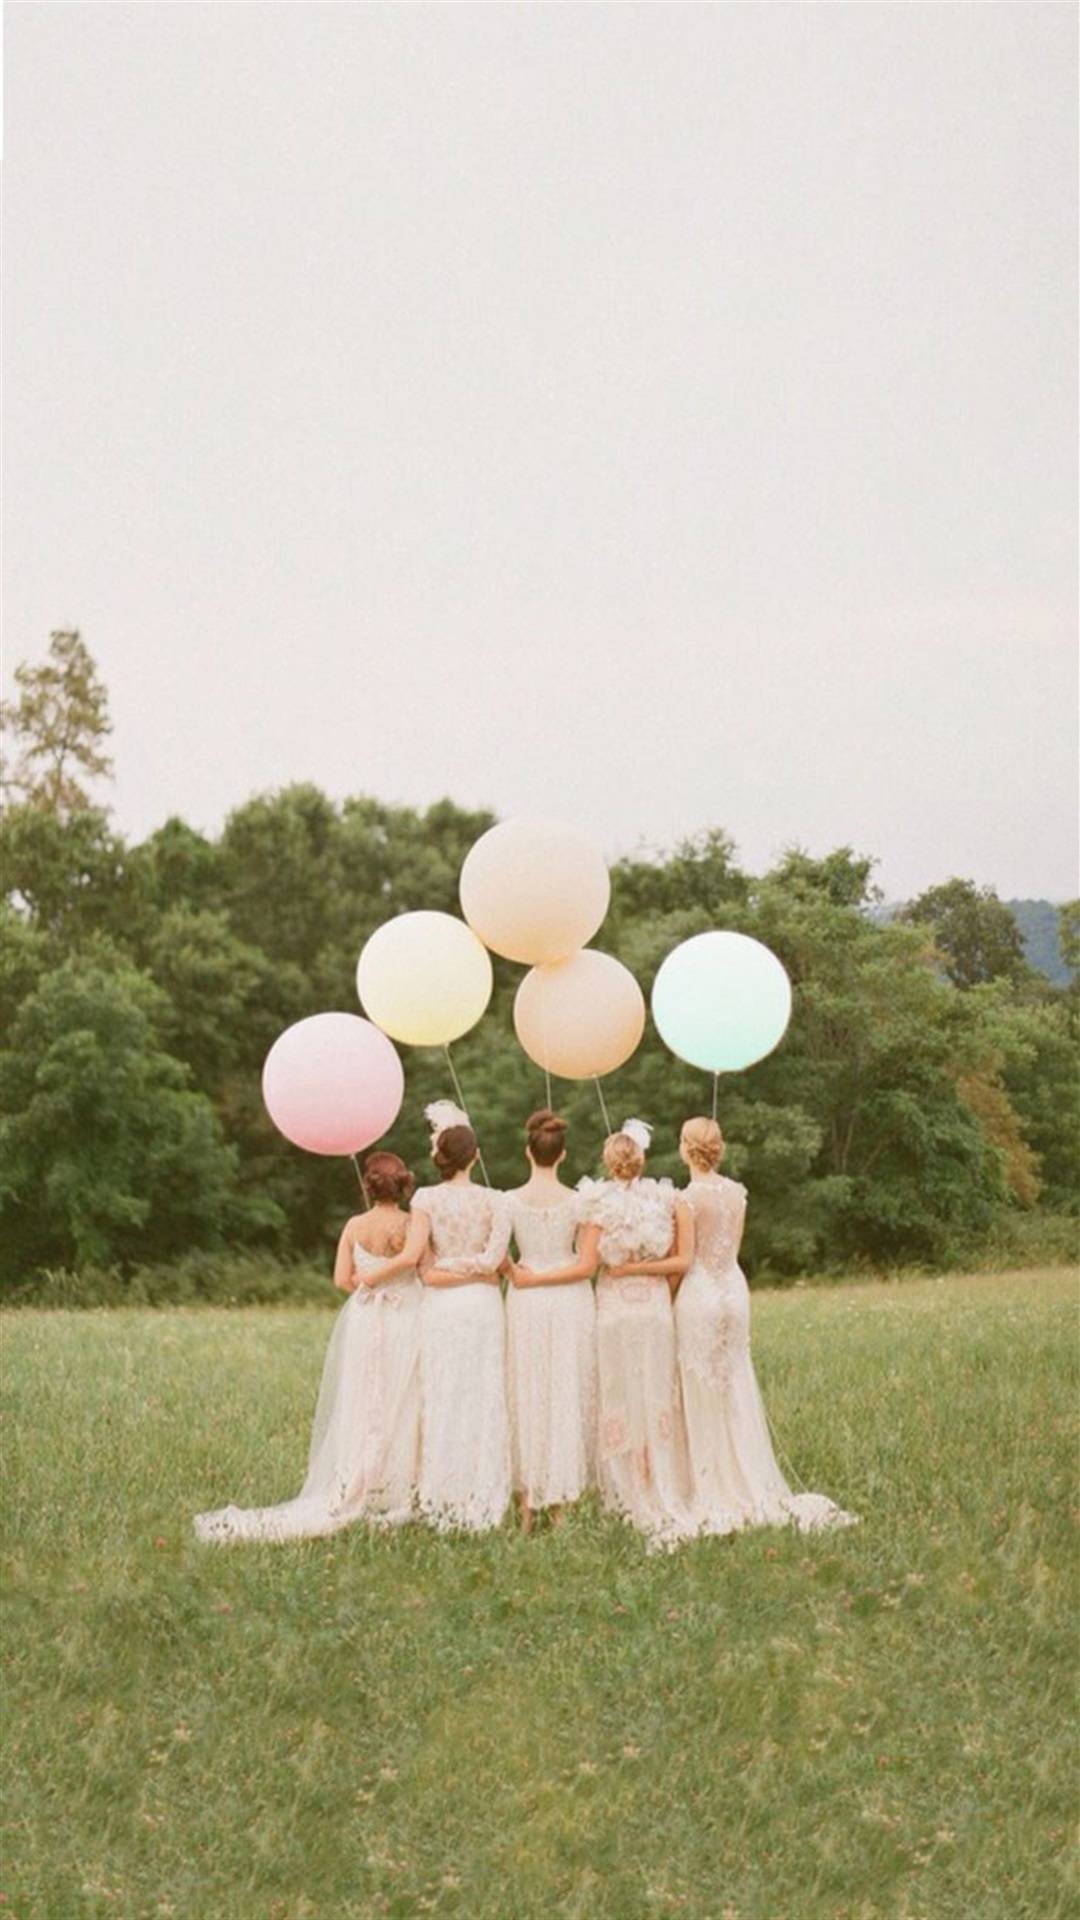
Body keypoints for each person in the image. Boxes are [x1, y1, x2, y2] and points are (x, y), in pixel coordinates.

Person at [193, 1152, 428, 1543]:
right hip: (404, 1316)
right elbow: (418, 1266)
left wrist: (368, 1285)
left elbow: (341, 1280)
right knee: (400, 1398)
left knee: (362, 1398)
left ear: (368, 1186)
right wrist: (387, 1285)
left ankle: (358, 1480)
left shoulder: (354, 1225)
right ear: (403, 1184)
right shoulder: (411, 1224)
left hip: (365, 1317)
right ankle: (396, 1486)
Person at [674, 1117, 857, 1536]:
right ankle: (746, 1473)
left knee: (702, 1383)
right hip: (733, 1290)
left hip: (700, 1293)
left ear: (687, 1148)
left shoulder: (685, 1200)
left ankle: (711, 1482)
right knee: (734, 1378)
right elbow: (729, 1251)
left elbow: (687, 1259)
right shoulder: (737, 1194)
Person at [578, 1120, 695, 1547]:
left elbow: (587, 1260)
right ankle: (658, 1479)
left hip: (613, 1307)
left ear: (608, 1162)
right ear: (642, 1160)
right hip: (653, 1306)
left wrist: (624, 1269)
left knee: (618, 1391)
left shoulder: (596, 1202)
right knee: (655, 1391)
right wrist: (650, 1276)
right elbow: (680, 1262)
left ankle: (625, 1487)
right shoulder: (665, 1198)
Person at [411, 1101, 512, 1533]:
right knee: (482, 1392)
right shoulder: (496, 1200)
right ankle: (479, 1490)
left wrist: (447, 1266)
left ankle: (443, 1490)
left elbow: (426, 1269)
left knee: (445, 1390)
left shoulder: (424, 1199)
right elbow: (493, 1262)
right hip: (482, 1303)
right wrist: (475, 1268)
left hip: (443, 1304)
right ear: (476, 1157)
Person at [504, 1109, 599, 1532]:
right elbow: (587, 1266)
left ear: (528, 1152)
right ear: (562, 1155)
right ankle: (558, 1504)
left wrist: (519, 1274)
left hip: (526, 1299)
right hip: (568, 1300)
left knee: (528, 1390)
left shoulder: (507, 1201)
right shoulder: (582, 1202)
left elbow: (495, 1251)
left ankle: (528, 1505)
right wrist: (540, 1276)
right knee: (563, 1391)